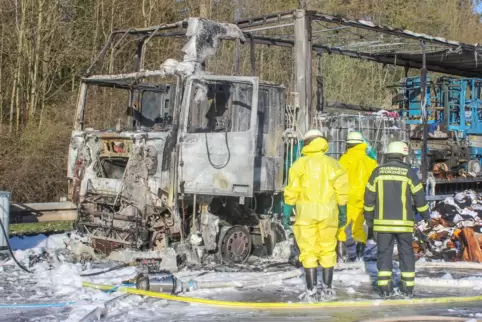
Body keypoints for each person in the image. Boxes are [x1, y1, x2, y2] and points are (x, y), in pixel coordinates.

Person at [283, 129, 349, 300]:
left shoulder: (299, 165)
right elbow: (341, 191)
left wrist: (287, 211)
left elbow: (292, 190)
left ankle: (311, 290)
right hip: (329, 213)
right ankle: (327, 289)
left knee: (308, 251)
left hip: (306, 214)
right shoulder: (333, 164)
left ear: (306, 143)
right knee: (328, 249)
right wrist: (343, 212)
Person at [363, 141, 430, 298]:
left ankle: (385, 288)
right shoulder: (408, 172)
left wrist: (370, 221)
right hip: (404, 224)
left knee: (383, 254)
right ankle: (407, 288)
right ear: (403, 156)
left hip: (382, 224)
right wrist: (426, 215)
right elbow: (419, 197)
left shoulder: (377, 172)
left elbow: (368, 199)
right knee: (406, 253)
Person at [337, 131, 378, 262]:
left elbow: (337, 179)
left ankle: (341, 256)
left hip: (346, 197)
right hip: (364, 197)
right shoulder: (371, 162)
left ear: (348, 144)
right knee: (359, 227)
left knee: (341, 226)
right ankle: (360, 257)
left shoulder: (342, 160)